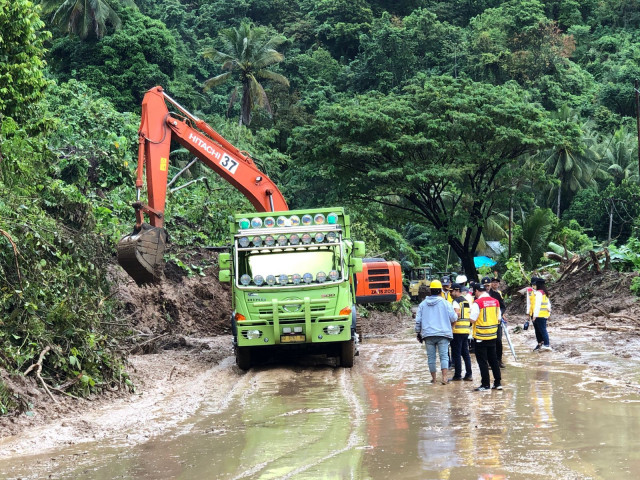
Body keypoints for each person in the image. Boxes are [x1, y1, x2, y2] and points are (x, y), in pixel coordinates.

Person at [415, 280, 458, 385]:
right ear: (440, 291)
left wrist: (418, 332)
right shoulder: (446, 303)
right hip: (443, 334)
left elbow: (418, 321)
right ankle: (444, 378)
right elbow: (453, 317)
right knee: (444, 356)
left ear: (430, 291)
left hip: (428, 335)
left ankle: (434, 379)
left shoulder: (422, 305)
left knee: (431, 357)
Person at [469, 282, 502, 391]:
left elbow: (472, 319)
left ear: (477, 291)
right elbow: (499, 318)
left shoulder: (477, 303)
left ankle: (485, 384)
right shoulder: (495, 302)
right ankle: (497, 383)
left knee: (482, 361)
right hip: (493, 335)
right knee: (493, 360)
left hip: (480, 336)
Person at [450, 283, 473, 381]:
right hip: (466, 330)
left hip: (457, 331)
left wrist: (452, 327)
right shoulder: (466, 301)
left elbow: (457, 314)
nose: (450, 293)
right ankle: (469, 374)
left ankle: (457, 375)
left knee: (457, 354)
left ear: (457, 291)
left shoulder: (456, 301)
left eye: (452, 291)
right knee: (465, 353)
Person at [484, 276, 507, 368]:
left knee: (498, 340)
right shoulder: (481, 295)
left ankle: (499, 360)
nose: (487, 287)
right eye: (485, 285)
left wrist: (499, 314)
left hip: (496, 322)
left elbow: (503, 306)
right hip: (486, 322)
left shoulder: (497, 294)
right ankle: (489, 361)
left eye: (488, 285)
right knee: (488, 341)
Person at [532, 278, 552, 351]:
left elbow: (537, 305)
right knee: (543, 330)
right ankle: (545, 344)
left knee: (542, 330)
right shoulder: (545, 292)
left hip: (540, 315)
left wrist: (534, 316)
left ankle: (546, 344)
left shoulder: (539, 293)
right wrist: (549, 313)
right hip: (544, 314)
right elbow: (548, 304)